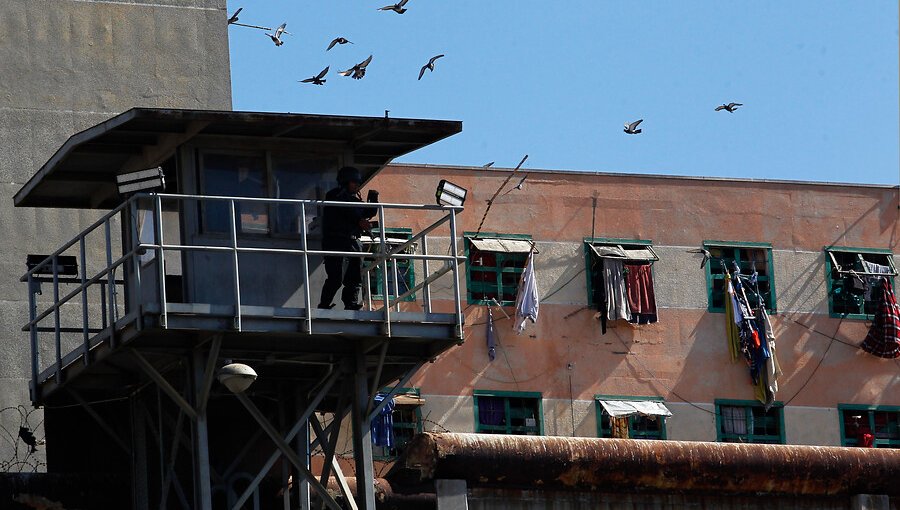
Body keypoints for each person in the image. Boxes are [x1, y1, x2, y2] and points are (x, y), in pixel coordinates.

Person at [318, 166, 377, 310]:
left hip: (353, 242)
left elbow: (366, 212)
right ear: (345, 181)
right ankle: (324, 305)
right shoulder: (334, 195)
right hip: (336, 242)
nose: (357, 185)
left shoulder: (354, 201)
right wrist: (359, 220)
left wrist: (374, 200)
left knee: (354, 278)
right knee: (336, 278)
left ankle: (350, 304)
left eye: (358, 182)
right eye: (353, 182)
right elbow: (347, 209)